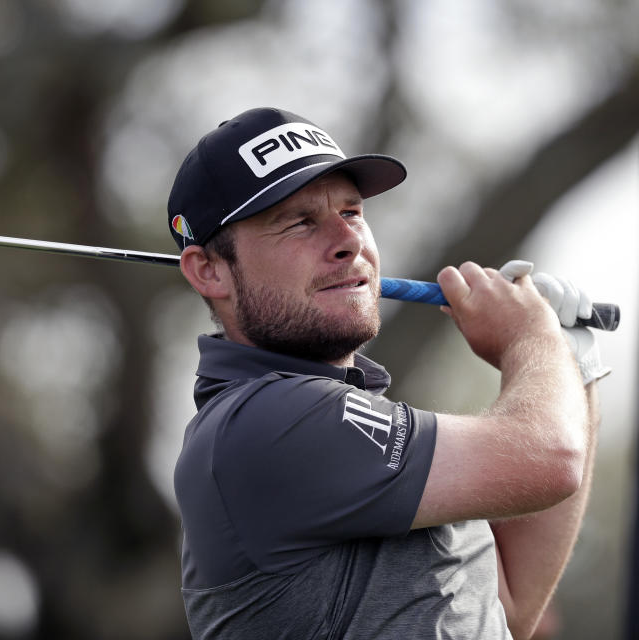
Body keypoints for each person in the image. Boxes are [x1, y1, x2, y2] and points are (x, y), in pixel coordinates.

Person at [166, 107, 609, 639]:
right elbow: (552, 458)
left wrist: (572, 362)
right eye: (300, 222)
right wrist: (530, 341)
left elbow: (510, 608)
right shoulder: (262, 422)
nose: (347, 240)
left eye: (351, 212)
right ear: (209, 270)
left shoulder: (368, 425)